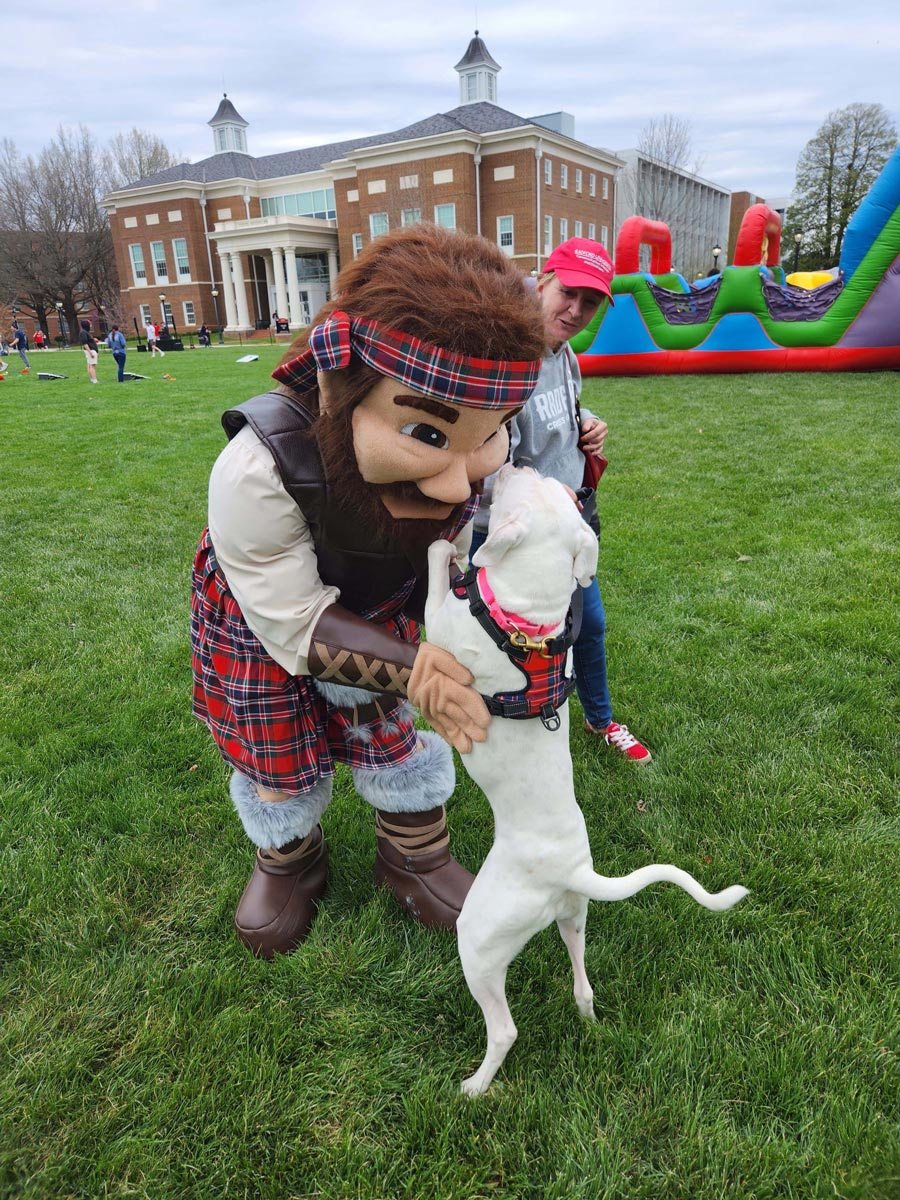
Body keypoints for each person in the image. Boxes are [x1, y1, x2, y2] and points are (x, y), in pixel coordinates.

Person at [190, 223, 546, 958]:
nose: (458, 483)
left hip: (387, 598)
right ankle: (289, 856)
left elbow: (485, 544)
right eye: (426, 433)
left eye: (490, 436)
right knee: (273, 743)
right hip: (267, 619)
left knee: (387, 731)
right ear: (334, 388)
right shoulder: (257, 469)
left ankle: (413, 854)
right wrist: (420, 671)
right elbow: (291, 620)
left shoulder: (481, 465)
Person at [471, 238, 651, 763]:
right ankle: (508, 731)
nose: (575, 311)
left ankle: (599, 720)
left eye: (590, 302)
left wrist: (587, 421)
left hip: (571, 518)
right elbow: (481, 455)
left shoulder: (562, 350)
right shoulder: (506, 353)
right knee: (517, 638)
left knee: (586, 626)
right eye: (568, 293)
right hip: (521, 533)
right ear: (544, 280)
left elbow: (563, 404)